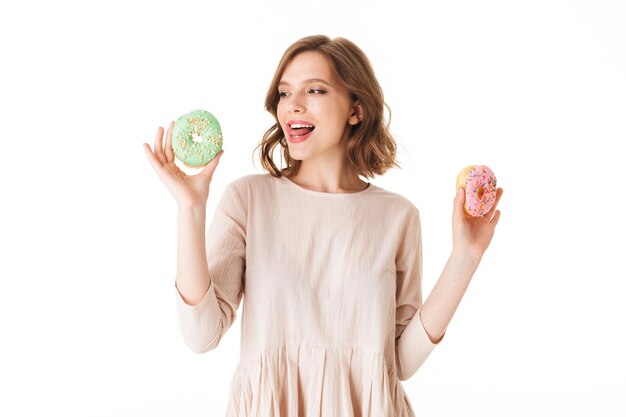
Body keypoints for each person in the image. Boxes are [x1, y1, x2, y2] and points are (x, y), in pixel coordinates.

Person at [143, 34, 503, 417]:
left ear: (356, 110)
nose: (292, 106)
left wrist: (465, 257)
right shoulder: (248, 199)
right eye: (284, 94)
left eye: (314, 90)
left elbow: (399, 363)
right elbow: (201, 336)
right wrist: (190, 209)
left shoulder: (398, 216)